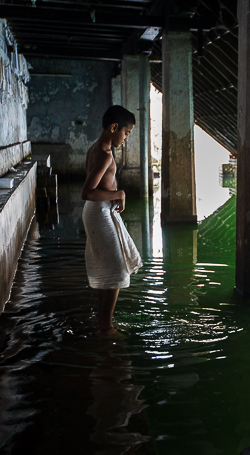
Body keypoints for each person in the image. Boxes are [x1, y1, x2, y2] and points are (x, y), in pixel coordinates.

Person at [82, 105, 143, 337]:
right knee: (117, 268)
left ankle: (103, 322)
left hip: (98, 212)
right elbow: (87, 192)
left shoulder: (95, 149)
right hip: (99, 213)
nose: (126, 138)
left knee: (107, 267)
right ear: (114, 127)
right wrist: (119, 194)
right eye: (126, 133)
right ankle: (106, 326)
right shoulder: (105, 155)